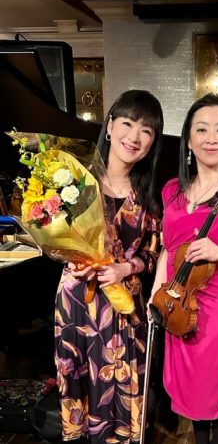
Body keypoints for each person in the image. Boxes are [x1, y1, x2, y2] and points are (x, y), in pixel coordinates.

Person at [148, 93, 218, 444]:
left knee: (216, 387)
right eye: (202, 129)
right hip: (178, 300)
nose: (211, 138)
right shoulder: (171, 190)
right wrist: (156, 293)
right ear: (188, 140)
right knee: (192, 389)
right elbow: (168, 249)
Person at [54, 89, 164, 443]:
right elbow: (53, 236)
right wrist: (74, 259)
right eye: (128, 124)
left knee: (123, 386)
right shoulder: (74, 180)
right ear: (111, 124)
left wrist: (125, 268)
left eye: (146, 131)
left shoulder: (149, 193)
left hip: (124, 305)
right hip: (78, 302)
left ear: (153, 141)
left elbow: (154, 254)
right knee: (79, 381)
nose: (134, 137)